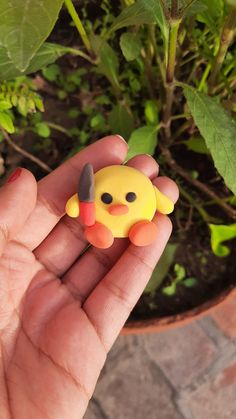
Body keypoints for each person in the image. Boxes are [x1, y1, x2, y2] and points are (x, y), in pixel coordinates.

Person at [0, 135, 178, 418]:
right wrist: (81, 207)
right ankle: (107, 230)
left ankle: (136, 228)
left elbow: (162, 203)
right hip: (101, 223)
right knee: (102, 232)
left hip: (135, 221)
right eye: (107, 198)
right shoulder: (97, 187)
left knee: (133, 230)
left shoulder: (140, 188)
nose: (118, 206)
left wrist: (160, 206)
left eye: (128, 199)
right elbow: (75, 204)